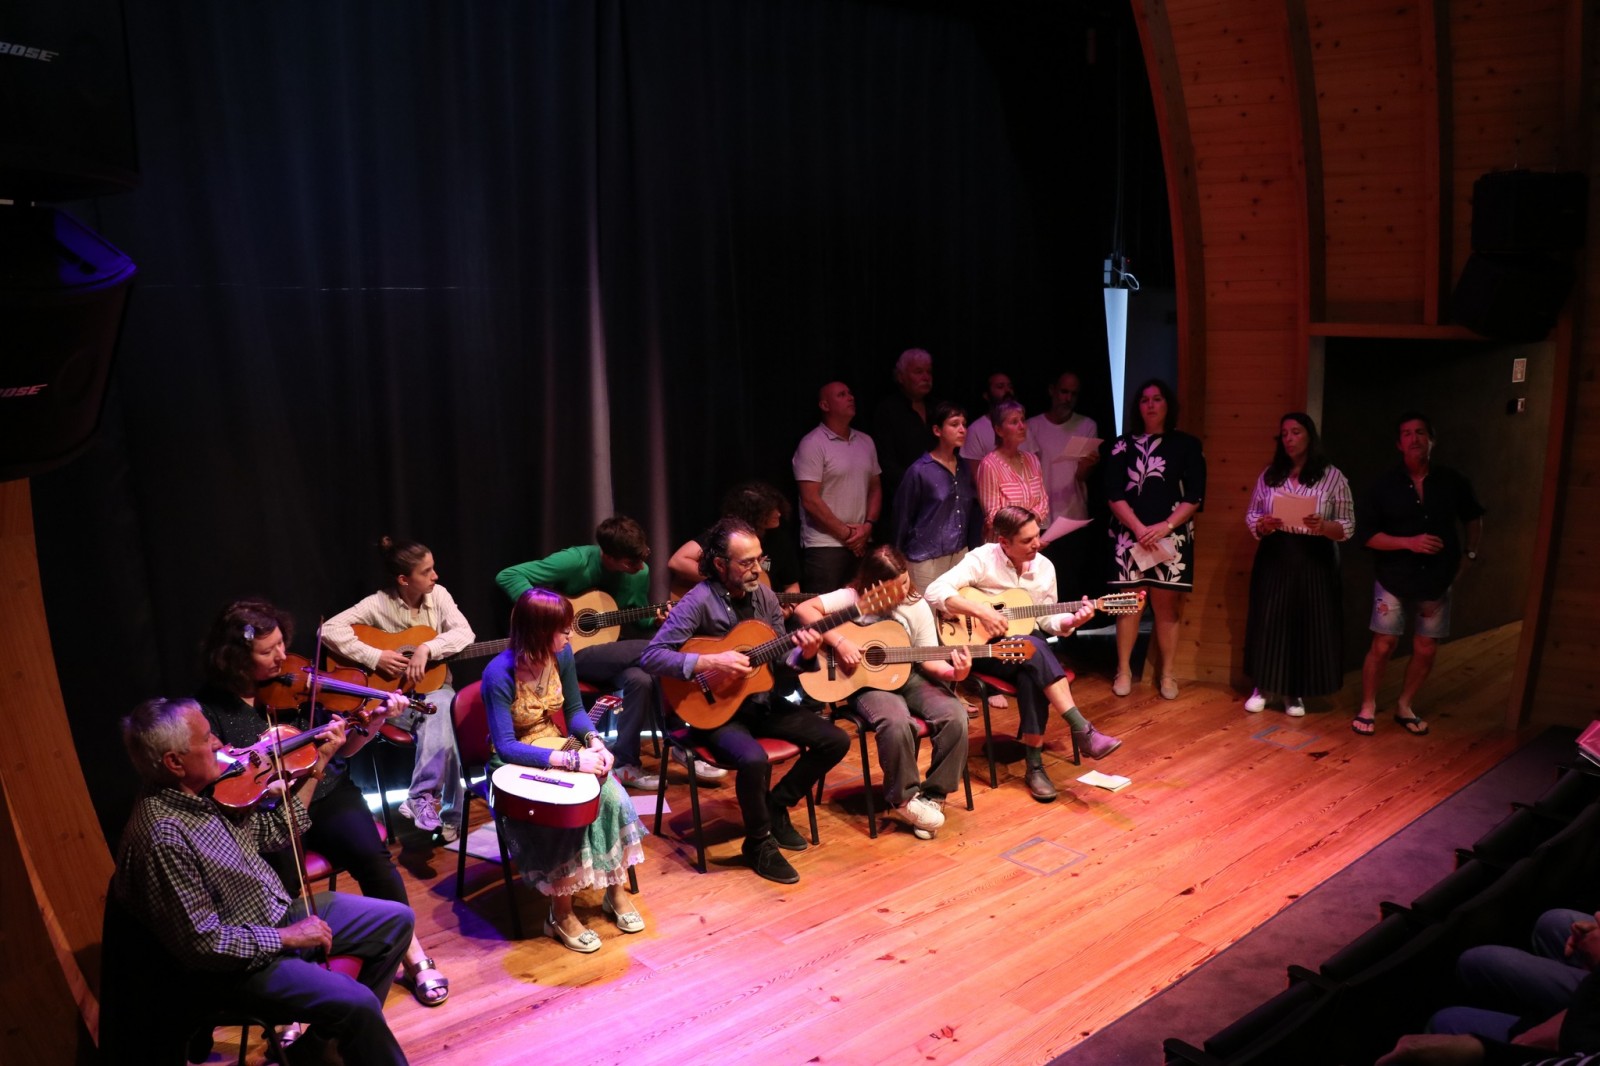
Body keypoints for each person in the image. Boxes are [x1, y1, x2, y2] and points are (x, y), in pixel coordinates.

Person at [114, 697, 413, 1064]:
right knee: (358, 1003)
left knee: (397, 921)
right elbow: (203, 944)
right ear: (175, 762)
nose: (220, 744)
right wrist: (289, 937)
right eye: (206, 739)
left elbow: (275, 831)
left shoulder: (202, 794)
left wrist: (317, 765)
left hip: (274, 916)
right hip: (237, 970)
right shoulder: (163, 838)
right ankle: (336, 1045)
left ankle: (317, 1052)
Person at [197, 599, 449, 1008]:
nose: (282, 657)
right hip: (265, 812)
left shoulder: (302, 687)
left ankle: (412, 954)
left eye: (282, 644)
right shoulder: (210, 708)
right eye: (267, 651)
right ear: (236, 659)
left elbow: (344, 751)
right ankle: (297, 983)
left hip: (325, 789)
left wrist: (375, 721)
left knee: (373, 858)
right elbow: (215, 775)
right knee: (279, 884)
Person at [640, 517, 847, 884]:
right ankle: (758, 842)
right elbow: (652, 656)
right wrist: (710, 661)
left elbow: (780, 663)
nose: (757, 569)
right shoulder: (698, 601)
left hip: (760, 702)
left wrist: (804, 654)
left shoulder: (765, 596)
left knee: (835, 740)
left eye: (759, 559)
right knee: (753, 759)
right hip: (715, 711)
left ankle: (776, 806)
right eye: (747, 562)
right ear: (721, 564)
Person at [480, 588, 648, 953]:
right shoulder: (498, 674)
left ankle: (615, 893)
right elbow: (506, 745)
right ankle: (560, 914)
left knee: (612, 796)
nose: (570, 634)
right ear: (539, 632)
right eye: (562, 628)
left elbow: (573, 710)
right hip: (514, 761)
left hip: (556, 743)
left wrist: (594, 741)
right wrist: (573, 761)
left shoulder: (562, 655)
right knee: (561, 816)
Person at [925, 506, 1118, 802]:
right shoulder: (982, 559)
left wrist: (1073, 621)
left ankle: (1035, 766)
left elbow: (1048, 620)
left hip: (1024, 651)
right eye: (1027, 540)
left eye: (1037, 536)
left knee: (1032, 663)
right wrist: (981, 611)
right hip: (984, 649)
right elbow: (934, 591)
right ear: (1004, 542)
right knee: (1035, 649)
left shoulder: (1044, 567)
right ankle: (1080, 731)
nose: (1036, 544)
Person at [795, 545, 970, 839]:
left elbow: (930, 659)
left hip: (909, 675)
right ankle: (904, 800)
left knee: (955, 714)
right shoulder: (852, 598)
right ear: (873, 584)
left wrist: (956, 674)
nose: (902, 591)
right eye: (893, 587)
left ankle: (933, 797)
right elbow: (804, 610)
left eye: (904, 581)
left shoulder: (916, 605)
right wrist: (840, 642)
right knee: (897, 722)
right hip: (866, 682)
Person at [495, 516, 669, 791]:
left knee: (641, 679)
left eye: (642, 558)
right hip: (570, 653)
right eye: (630, 563)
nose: (639, 567)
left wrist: (655, 621)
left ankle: (625, 763)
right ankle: (683, 666)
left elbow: (639, 617)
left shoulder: (640, 572)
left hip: (611, 652)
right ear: (607, 556)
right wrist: (546, 615)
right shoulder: (576, 561)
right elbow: (508, 575)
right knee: (657, 650)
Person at [322, 536, 473, 838]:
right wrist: (375, 656)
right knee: (447, 723)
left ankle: (423, 799)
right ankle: (449, 815)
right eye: (426, 571)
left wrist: (427, 648)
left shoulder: (439, 595)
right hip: (393, 697)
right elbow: (328, 630)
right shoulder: (378, 603)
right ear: (404, 579)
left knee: (445, 712)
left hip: (435, 690)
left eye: (433, 568)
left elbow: (465, 632)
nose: (435, 576)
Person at [1353, 412, 1485, 736]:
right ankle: (1367, 706)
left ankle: (1405, 706)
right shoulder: (1383, 485)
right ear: (1399, 444)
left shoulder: (1453, 480)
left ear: (1431, 439)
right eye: (1407, 434)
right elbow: (1367, 536)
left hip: (1437, 577)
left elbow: (1474, 516)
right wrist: (1408, 542)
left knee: (1426, 647)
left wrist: (1469, 554)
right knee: (1383, 644)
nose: (1414, 439)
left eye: (1420, 432)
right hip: (1393, 576)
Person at [1242, 413, 1355, 716]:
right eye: (1285, 434)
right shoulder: (1270, 474)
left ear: (1309, 436)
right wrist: (1263, 524)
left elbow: (1347, 525)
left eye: (1296, 432)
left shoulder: (1332, 476)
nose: (1289, 439)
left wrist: (1324, 525)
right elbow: (1252, 513)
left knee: (1305, 621)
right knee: (1269, 618)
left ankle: (1295, 692)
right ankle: (1263, 686)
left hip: (1315, 556)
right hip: (1276, 552)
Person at [1105, 378, 1207, 701]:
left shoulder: (1187, 445)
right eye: (1144, 399)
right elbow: (1113, 493)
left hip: (1171, 536)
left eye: (1157, 399)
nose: (1150, 405)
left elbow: (1195, 496)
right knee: (1129, 604)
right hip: (1129, 535)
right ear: (1138, 407)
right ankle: (1123, 670)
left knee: (1166, 606)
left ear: (1168, 405)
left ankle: (1167, 673)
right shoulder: (1120, 445)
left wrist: (1165, 526)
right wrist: (1138, 527)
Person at [794, 380, 882, 594]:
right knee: (823, 609)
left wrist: (868, 526)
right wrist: (847, 534)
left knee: (861, 608)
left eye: (850, 393)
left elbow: (875, 488)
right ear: (825, 405)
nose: (850, 397)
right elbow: (810, 500)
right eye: (842, 395)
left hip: (861, 541)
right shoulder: (812, 443)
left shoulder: (866, 441)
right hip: (825, 546)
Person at [891, 400, 985, 593]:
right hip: (926, 558)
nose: (962, 430)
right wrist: (897, 561)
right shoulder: (920, 470)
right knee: (928, 610)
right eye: (954, 424)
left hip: (959, 555)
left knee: (958, 609)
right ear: (937, 430)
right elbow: (903, 516)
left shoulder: (963, 467)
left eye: (964, 424)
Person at [1027, 371, 1103, 598]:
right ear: (1052, 391)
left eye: (1073, 394)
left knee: (1070, 583)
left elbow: (1081, 476)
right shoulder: (1033, 426)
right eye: (1063, 392)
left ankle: (1069, 623)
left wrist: (1088, 464)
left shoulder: (1086, 425)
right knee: (1040, 585)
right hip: (1040, 519)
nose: (1067, 398)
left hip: (1072, 517)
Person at [667, 480, 801, 600]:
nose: (778, 513)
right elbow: (677, 561)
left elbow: (792, 585)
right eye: (770, 510)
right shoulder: (727, 535)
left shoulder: (780, 539)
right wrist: (726, 580)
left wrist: (789, 608)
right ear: (755, 514)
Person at [871, 347, 939, 510]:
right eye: (918, 372)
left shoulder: (937, 408)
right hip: (904, 499)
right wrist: (917, 486)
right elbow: (885, 461)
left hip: (939, 497)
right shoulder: (888, 410)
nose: (926, 377)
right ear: (901, 377)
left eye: (929, 372)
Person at [976, 398, 1050, 540]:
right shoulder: (990, 465)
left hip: (1030, 542)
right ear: (999, 430)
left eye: (1023, 420)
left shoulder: (1032, 460)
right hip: (1004, 545)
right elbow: (994, 517)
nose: (1022, 426)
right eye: (1014, 422)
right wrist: (1026, 526)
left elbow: (1043, 502)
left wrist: (1028, 530)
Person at [960, 372, 1016, 462]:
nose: (1007, 391)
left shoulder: (1022, 426)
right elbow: (975, 470)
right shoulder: (976, 430)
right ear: (986, 395)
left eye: (1010, 386)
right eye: (1000, 387)